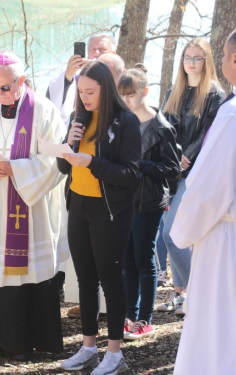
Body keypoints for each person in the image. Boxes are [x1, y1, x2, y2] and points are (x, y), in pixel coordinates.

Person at [0, 51, 69, 361]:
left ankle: (22, 341)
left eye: (6, 87)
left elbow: (56, 161)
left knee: (24, 270)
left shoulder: (45, 111)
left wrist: (16, 170)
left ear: (22, 80)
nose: (0, 94)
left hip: (27, 211)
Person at [57, 61, 141, 374]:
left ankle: (114, 353)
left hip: (110, 212)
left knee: (111, 280)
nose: (85, 97)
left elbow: (131, 175)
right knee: (85, 280)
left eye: (91, 92)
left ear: (106, 89)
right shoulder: (78, 118)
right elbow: (64, 168)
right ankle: (89, 346)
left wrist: (92, 161)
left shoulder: (126, 122)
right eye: (81, 92)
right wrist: (68, 145)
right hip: (79, 206)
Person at [170, 29, 236, 375]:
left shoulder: (231, 114)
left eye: (224, 56)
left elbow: (210, 189)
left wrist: (183, 231)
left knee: (219, 328)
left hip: (225, 239)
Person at [158, 38, 226, 316]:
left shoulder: (215, 95)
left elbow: (208, 133)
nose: (192, 63)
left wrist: (187, 155)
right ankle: (181, 294)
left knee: (173, 235)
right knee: (167, 231)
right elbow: (161, 129)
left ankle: (195, 289)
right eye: (188, 57)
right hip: (169, 173)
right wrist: (170, 158)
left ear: (207, 61)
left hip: (195, 172)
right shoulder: (174, 92)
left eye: (198, 58)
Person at [117, 65, 181, 340]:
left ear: (144, 92)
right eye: (123, 96)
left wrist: (141, 164)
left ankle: (145, 319)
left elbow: (173, 168)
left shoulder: (161, 126)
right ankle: (129, 317)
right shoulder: (123, 121)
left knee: (145, 260)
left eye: (131, 95)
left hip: (150, 200)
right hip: (125, 199)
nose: (127, 101)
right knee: (127, 261)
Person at [47, 33, 117, 126]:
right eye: (93, 49)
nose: (96, 53)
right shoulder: (76, 81)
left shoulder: (122, 78)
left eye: (102, 49)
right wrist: (68, 75)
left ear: (113, 53)